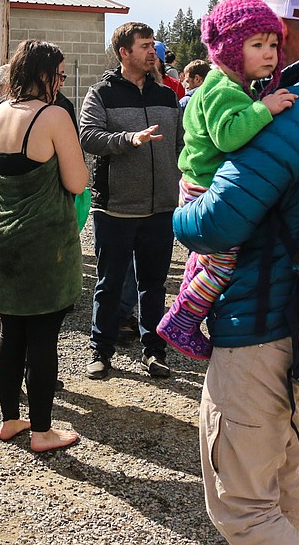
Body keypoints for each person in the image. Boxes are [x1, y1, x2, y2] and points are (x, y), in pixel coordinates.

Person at [174, 0, 299, 543]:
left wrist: (175, 215)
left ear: (289, 33)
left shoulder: (292, 113)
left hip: (263, 328)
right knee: (289, 481)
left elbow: (215, 223)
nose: (271, 51)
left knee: (247, 509)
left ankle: (183, 312)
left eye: (274, 38)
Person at [158, 0, 296, 360]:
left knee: (203, 261)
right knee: (222, 265)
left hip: (196, 185)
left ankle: (186, 302)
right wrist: (263, 110)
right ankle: (182, 321)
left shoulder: (230, 84)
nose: (269, 54)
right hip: (208, 192)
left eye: (272, 45)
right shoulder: (224, 89)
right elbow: (228, 136)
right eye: (257, 45)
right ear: (231, 48)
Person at [0, 40, 88, 453]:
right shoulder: (53, 115)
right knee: (43, 338)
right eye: (59, 74)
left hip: (0, 240)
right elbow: (77, 182)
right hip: (43, 244)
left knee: (11, 332)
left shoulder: (0, 113)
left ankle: (11, 419)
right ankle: (43, 431)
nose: (62, 82)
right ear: (42, 74)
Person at [80, 22, 180, 380]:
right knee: (109, 283)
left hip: (161, 208)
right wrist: (129, 139)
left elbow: (181, 146)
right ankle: (100, 351)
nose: (153, 52)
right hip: (115, 207)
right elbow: (89, 137)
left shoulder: (167, 96)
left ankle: (154, 350)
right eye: (145, 46)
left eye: (154, 45)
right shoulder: (101, 93)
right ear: (124, 52)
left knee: (154, 285)